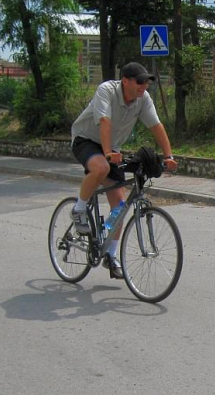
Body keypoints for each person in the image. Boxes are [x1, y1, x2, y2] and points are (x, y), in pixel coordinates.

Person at [70, 62, 178, 279]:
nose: (144, 85)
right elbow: (104, 121)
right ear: (125, 81)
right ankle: (79, 209)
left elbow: (156, 126)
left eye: (147, 81)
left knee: (119, 206)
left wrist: (168, 156)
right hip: (86, 140)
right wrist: (108, 152)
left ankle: (110, 255)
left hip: (112, 148)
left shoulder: (143, 98)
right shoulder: (107, 90)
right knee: (100, 167)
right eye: (140, 81)